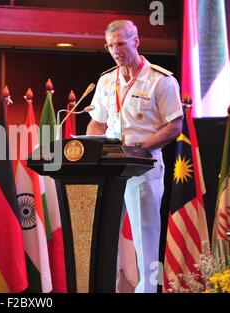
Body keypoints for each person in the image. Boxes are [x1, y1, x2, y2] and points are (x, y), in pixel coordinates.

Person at [86, 20, 183, 293]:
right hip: (109, 169)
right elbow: (97, 123)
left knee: (145, 238)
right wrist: (93, 146)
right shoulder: (106, 80)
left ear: (136, 41)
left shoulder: (161, 80)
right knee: (104, 235)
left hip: (143, 167)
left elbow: (174, 126)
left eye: (120, 43)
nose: (115, 50)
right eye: (109, 45)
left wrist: (140, 148)